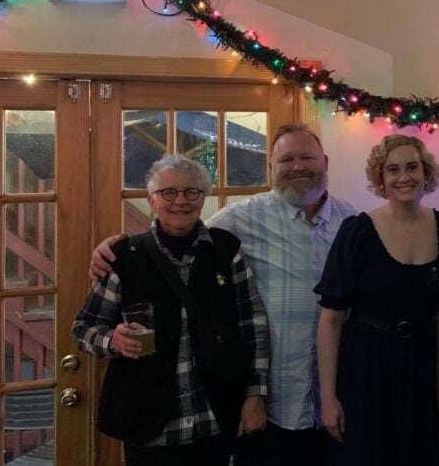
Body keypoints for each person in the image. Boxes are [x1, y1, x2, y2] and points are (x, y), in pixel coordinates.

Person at [89, 123, 356, 466]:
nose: (298, 166)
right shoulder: (240, 218)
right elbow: (176, 230)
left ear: (326, 162)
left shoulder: (354, 223)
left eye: (307, 157)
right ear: (271, 168)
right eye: (287, 159)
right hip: (273, 399)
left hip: (340, 394)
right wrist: (113, 250)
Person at [72, 155, 269, 466]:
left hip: (216, 419)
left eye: (191, 192)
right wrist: (113, 340)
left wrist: (255, 395)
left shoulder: (226, 250)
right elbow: (83, 328)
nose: (180, 201)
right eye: (168, 193)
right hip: (147, 424)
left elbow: (253, 326)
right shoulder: (125, 256)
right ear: (151, 200)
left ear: (203, 197)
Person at [315, 134, 439, 465]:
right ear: (381, 179)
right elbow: (331, 319)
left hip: (427, 367)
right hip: (368, 370)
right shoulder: (357, 231)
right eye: (393, 170)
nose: (403, 177)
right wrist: (328, 397)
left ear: (426, 173)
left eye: (412, 167)